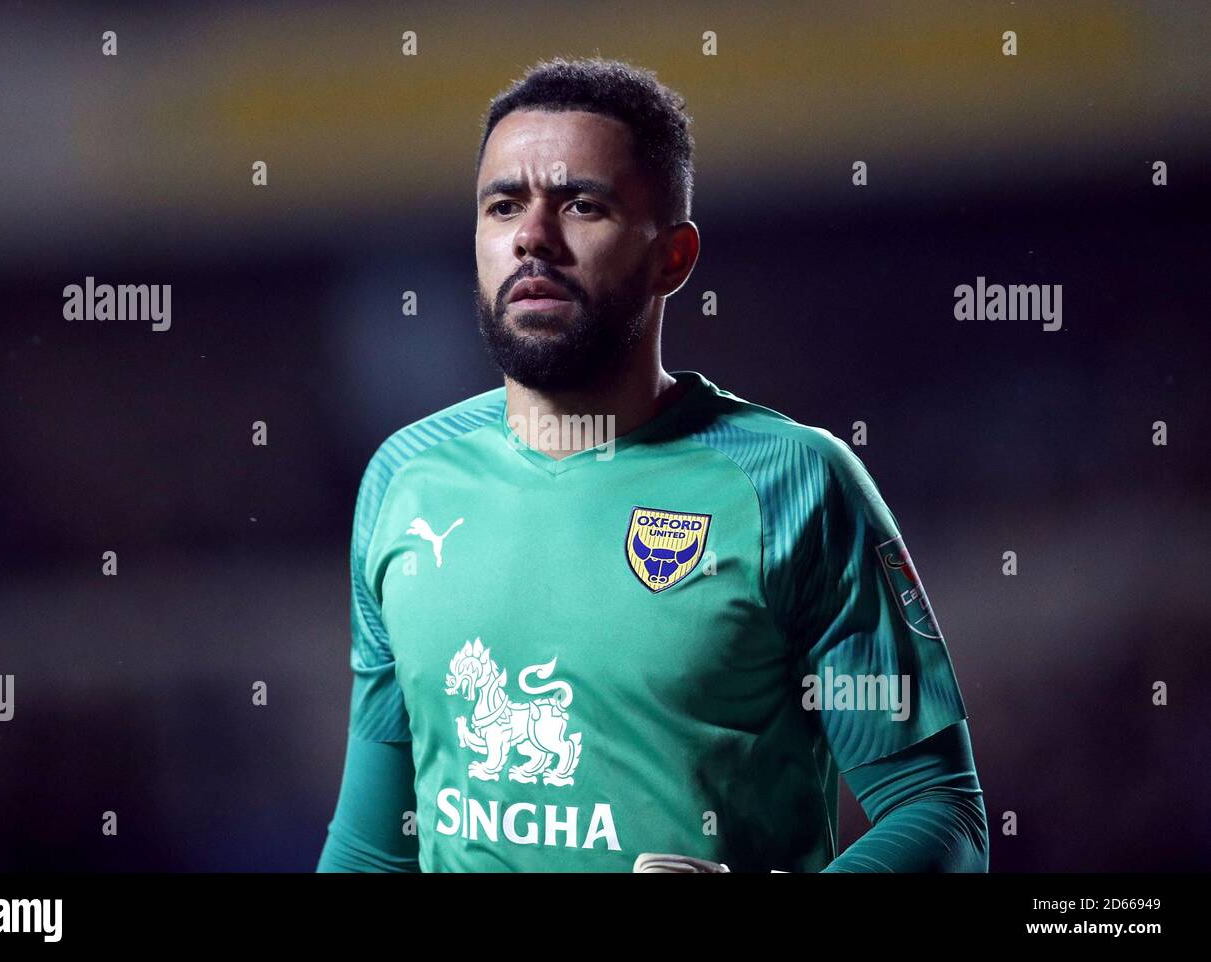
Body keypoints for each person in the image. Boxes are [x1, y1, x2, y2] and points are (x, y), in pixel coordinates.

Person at [317, 57, 987, 872]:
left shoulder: (794, 486)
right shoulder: (405, 479)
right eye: (504, 207)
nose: (532, 236)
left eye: (582, 205)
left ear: (673, 257)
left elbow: (941, 815)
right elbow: (371, 847)